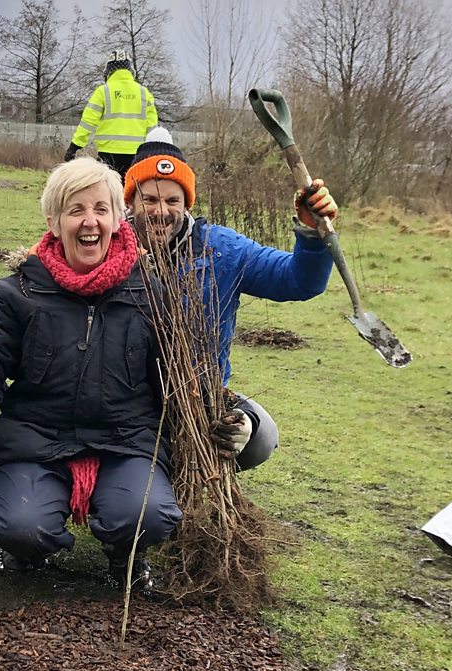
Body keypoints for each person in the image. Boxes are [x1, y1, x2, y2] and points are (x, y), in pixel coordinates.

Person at [0, 157, 250, 589]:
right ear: (53, 221)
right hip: (37, 442)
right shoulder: (16, 293)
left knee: (146, 516)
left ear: (119, 219)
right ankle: (32, 549)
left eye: (100, 209)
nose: (89, 221)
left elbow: (186, 382)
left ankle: (124, 550)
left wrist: (235, 415)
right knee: (23, 527)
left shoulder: (155, 294)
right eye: (75, 210)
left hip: (127, 443)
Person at [124, 127, 339, 470]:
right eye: (148, 199)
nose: (160, 211)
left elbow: (298, 281)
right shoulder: (109, 251)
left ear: (187, 203)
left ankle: (197, 467)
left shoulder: (222, 250)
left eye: (172, 200)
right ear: (130, 202)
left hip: (198, 401)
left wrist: (313, 234)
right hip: (124, 405)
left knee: (261, 436)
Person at [65, 50, 158, 176]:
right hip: (136, 154)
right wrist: (154, 150)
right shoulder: (144, 93)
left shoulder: (103, 91)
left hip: (108, 155)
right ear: (130, 70)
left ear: (109, 71)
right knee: (132, 192)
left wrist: (74, 146)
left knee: (108, 192)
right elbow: (152, 127)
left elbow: (88, 122)